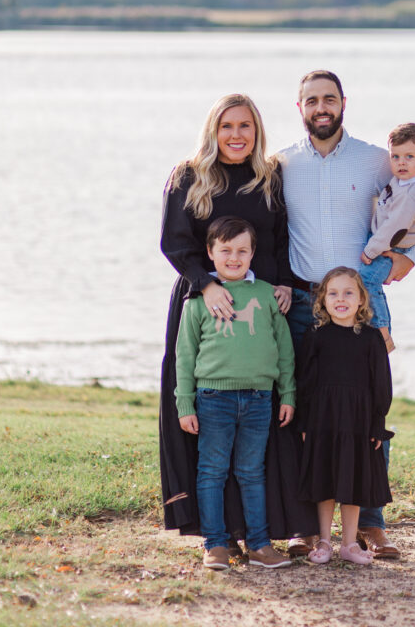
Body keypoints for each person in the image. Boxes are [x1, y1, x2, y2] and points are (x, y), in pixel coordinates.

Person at [280, 69, 415, 559]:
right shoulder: (279, 164)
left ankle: (371, 523)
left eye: (329, 99)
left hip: (361, 306)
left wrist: (411, 257)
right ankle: (308, 527)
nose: (320, 107)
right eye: (311, 100)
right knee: (304, 416)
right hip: (303, 307)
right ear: (299, 107)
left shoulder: (375, 161)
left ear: (344, 102)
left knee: (369, 412)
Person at [160, 92, 317, 542]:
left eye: (244, 126)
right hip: (202, 300)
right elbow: (174, 242)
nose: (235, 135)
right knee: (205, 416)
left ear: (257, 131)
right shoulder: (189, 176)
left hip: (261, 303)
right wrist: (207, 286)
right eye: (227, 126)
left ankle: (268, 529)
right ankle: (213, 531)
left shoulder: (269, 177)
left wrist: (285, 282)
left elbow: (280, 241)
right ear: (213, 130)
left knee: (265, 421)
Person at [176, 216, 295, 570]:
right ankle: (215, 544)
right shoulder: (198, 301)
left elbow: (284, 350)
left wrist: (287, 394)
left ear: (253, 253)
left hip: (260, 399)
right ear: (210, 253)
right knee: (212, 471)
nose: (234, 257)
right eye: (225, 250)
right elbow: (185, 356)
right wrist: (185, 403)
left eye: (242, 250)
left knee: (251, 471)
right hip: (214, 398)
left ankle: (259, 544)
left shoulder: (266, 295)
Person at [297, 267, 393, 566]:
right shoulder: (315, 336)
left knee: (353, 481)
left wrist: (378, 424)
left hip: (358, 420)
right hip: (322, 419)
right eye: (333, 293)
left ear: (362, 299)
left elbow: (382, 385)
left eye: (349, 292)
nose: (341, 299)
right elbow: (305, 382)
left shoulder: (372, 339)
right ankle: (325, 541)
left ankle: (349, 544)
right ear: (322, 300)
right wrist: (304, 422)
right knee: (324, 479)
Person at [359, 122, 415, 353]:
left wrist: (369, 251)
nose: (401, 163)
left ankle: (383, 332)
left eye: (409, 156)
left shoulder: (412, 196)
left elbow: (393, 229)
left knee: (367, 280)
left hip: (391, 247)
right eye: (395, 157)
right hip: (386, 238)